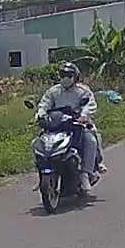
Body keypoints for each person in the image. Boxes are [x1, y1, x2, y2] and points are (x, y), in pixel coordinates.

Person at [35, 62, 102, 193]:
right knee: (36, 143)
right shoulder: (53, 91)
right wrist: (40, 115)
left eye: (69, 75)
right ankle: (42, 174)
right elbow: (44, 104)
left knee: (91, 141)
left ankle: (86, 174)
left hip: (76, 125)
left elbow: (90, 105)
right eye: (62, 75)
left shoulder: (83, 91)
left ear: (75, 77)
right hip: (56, 126)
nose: (65, 78)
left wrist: (84, 116)